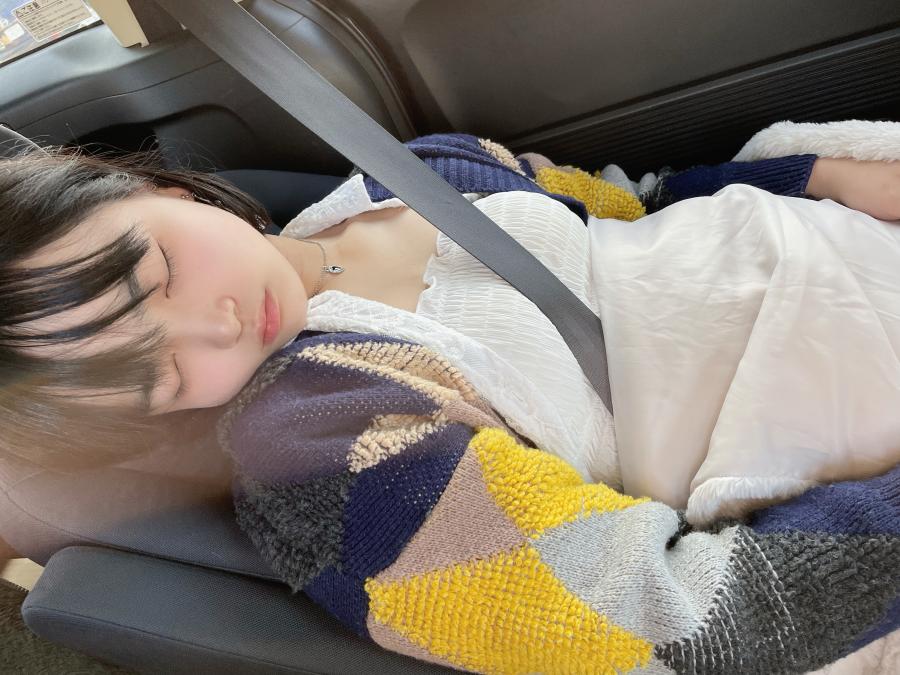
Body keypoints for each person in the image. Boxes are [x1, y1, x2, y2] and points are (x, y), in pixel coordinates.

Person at [1, 134, 898, 674]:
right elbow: (685, 628)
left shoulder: (410, 170)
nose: (217, 324)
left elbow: (621, 208)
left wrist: (813, 175)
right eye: (160, 376)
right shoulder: (324, 449)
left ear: (158, 189)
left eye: (157, 274)